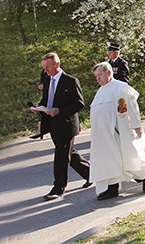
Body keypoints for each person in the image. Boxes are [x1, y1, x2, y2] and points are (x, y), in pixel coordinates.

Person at [89, 62, 145, 200]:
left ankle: (144, 177)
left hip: (118, 131)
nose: (98, 79)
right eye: (96, 76)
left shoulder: (119, 87)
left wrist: (136, 126)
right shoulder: (101, 90)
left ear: (108, 73)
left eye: (100, 75)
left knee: (127, 158)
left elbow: (130, 107)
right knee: (109, 160)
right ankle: (112, 188)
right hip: (103, 135)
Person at [30, 52, 91, 201]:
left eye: (48, 67)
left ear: (57, 65)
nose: (46, 71)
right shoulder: (46, 78)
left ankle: (58, 188)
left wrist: (59, 111)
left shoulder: (70, 81)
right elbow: (47, 98)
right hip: (52, 123)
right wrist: (39, 107)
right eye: (44, 68)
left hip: (66, 124)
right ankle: (92, 174)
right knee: (70, 154)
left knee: (62, 155)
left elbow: (79, 103)